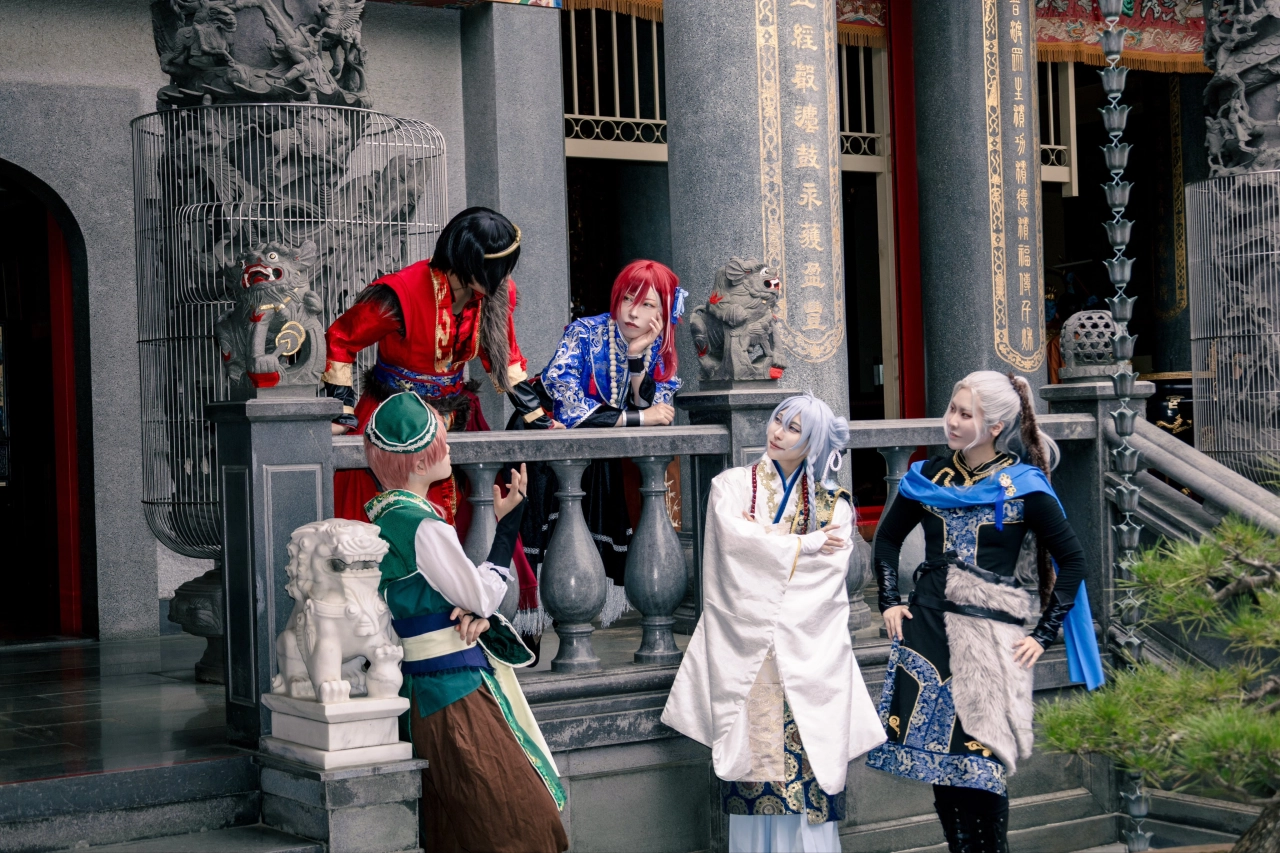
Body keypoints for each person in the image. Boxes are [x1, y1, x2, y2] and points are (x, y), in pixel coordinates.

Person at [865, 371, 1089, 853]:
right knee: (943, 765)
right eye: (953, 409)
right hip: (927, 630)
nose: (952, 421)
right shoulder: (927, 476)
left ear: (995, 426)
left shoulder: (1023, 484)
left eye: (966, 415)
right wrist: (890, 600)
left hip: (988, 639)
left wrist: (1043, 635)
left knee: (983, 767)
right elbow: (887, 539)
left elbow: (1073, 562)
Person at [661, 394, 886, 853]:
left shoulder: (834, 506)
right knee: (755, 772)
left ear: (814, 442)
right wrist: (803, 544)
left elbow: (824, 580)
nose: (778, 432)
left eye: (793, 428)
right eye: (778, 420)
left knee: (811, 770)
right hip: (750, 650)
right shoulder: (731, 486)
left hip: (810, 650)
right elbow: (732, 553)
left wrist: (766, 541)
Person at [323, 206, 553, 637]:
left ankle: (476, 616)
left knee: (477, 511)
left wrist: (538, 416)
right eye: (496, 268)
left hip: (459, 418)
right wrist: (341, 408)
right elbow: (340, 338)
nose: (503, 279)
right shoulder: (400, 294)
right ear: (468, 261)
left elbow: (506, 356)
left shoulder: (495, 292)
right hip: (397, 420)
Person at [361, 391, 567, 853]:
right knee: (521, 825)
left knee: (458, 831)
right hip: (454, 694)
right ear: (419, 461)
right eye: (442, 439)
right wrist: (508, 527)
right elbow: (482, 596)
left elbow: (446, 604)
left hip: (425, 693)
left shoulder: (384, 517)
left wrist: (475, 617)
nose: (450, 445)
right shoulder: (422, 525)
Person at [517, 260, 685, 629]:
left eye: (647, 305)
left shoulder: (659, 349)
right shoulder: (584, 332)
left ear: (663, 312)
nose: (633, 312)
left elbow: (658, 410)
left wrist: (637, 359)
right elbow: (569, 407)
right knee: (539, 557)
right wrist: (640, 417)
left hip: (599, 456)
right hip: (547, 440)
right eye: (627, 299)